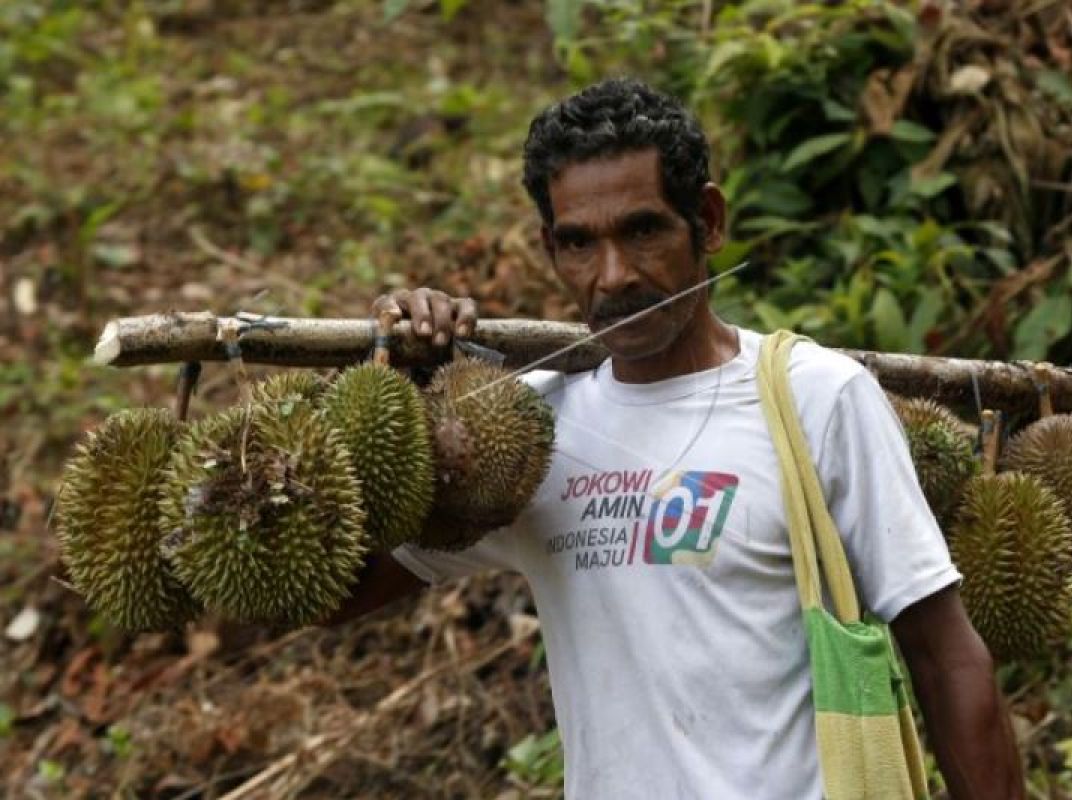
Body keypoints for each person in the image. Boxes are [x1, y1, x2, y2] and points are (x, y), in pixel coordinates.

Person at [337, 77, 1024, 799]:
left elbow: (946, 658)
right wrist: (402, 396)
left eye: (643, 230)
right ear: (549, 248)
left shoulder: (815, 399)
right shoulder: (527, 433)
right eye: (578, 243)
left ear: (710, 220)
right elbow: (336, 596)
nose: (613, 275)